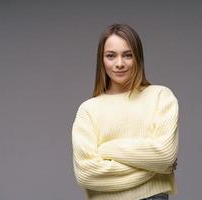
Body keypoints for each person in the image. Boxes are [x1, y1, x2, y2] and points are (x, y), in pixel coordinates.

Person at [71, 23, 179, 200]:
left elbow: (165, 156)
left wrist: (107, 149)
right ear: (101, 60)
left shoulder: (160, 96)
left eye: (127, 55)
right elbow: (86, 174)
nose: (119, 64)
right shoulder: (88, 110)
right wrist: (151, 166)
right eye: (111, 56)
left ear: (138, 58)